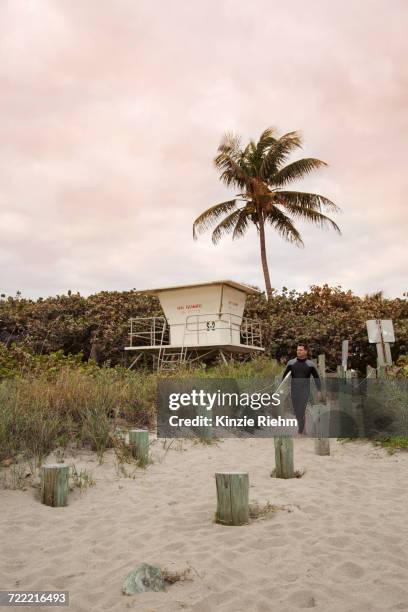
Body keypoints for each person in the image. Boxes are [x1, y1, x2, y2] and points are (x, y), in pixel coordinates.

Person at [282, 343, 322, 435]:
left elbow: (316, 378)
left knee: (301, 410)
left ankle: (300, 432)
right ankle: (303, 429)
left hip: (305, 390)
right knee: (297, 412)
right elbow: (284, 377)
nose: (298, 351)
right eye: (297, 350)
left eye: (300, 350)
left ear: (305, 351)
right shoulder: (291, 363)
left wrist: (319, 391)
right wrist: (283, 388)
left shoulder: (310, 364)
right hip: (294, 391)